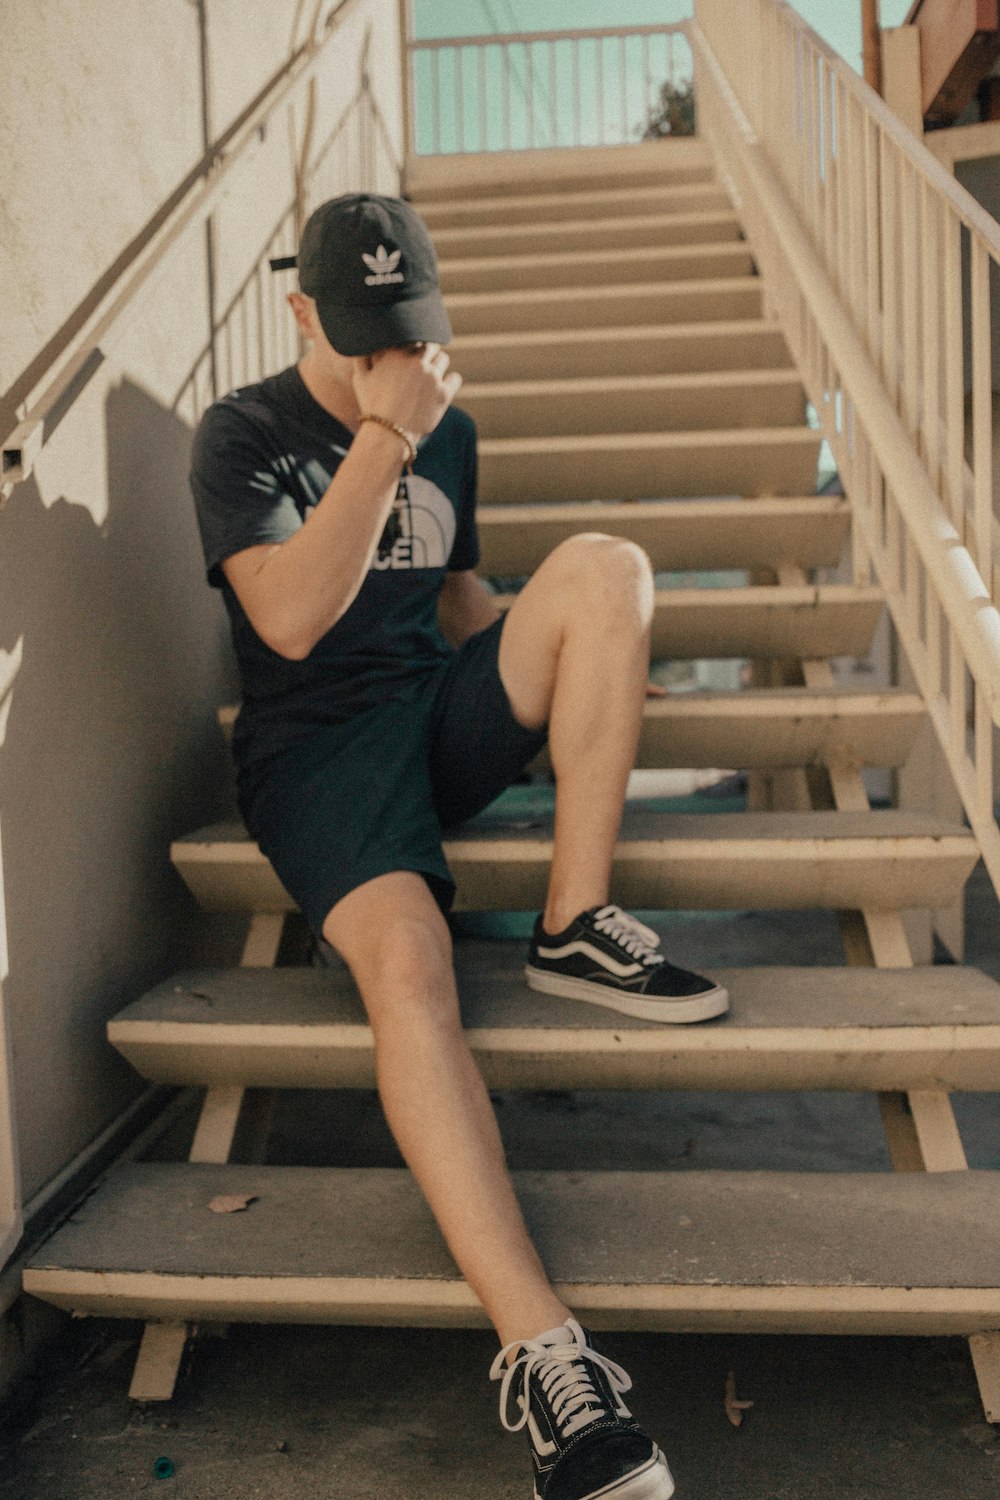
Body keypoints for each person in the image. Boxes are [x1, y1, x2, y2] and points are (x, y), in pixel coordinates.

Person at [190, 191, 729, 1500]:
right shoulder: (244, 434)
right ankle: (553, 1366)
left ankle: (572, 927)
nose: (399, 362)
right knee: (413, 975)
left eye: (411, 334)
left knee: (605, 568)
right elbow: (297, 625)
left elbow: (466, 603)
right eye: (369, 335)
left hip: (427, 713)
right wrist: (383, 437)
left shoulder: (454, 431)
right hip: (316, 751)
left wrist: (580, 673)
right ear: (304, 309)